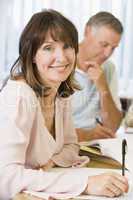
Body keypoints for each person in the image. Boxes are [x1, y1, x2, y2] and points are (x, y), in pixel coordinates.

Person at [0, 9, 128, 200]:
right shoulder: (19, 95)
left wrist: (49, 163)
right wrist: (86, 184)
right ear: (32, 54)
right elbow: (5, 179)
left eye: (67, 46)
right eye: (48, 48)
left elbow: (70, 145)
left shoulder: (62, 92)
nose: (62, 57)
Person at [72, 11, 123, 142]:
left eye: (113, 48)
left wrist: (103, 88)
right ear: (87, 31)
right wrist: (86, 135)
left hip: (96, 146)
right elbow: (43, 129)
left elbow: (112, 127)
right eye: (104, 44)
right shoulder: (61, 62)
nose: (107, 54)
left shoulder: (108, 68)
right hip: (67, 145)